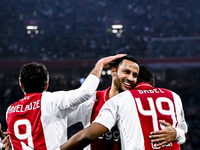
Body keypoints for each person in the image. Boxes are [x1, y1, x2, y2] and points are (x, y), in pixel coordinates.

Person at [5, 54, 126, 150]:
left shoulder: (10, 110)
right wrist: (99, 65)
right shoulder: (51, 101)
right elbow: (85, 92)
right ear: (47, 84)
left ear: (21, 85)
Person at [60, 65, 188, 150]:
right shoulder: (174, 96)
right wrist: (178, 133)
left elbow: (87, 136)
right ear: (153, 82)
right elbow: (184, 137)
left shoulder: (121, 99)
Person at [67, 55, 140, 150]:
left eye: (135, 75)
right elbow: (60, 121)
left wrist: (166, 132)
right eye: (126, 72)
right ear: (113, 71)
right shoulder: (92, 100)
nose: (131, 78)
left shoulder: (138, 105)